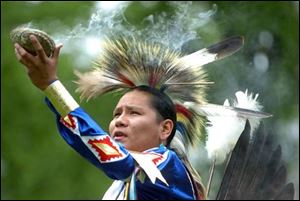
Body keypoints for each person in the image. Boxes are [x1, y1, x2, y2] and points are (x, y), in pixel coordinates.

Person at [14, 34, 207, 200]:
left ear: (165, 128)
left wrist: (52, 86)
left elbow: (117, 160)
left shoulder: (165, 163)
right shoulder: (120, 186)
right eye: (116, 114)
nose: (119, 121)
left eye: (134, 112)